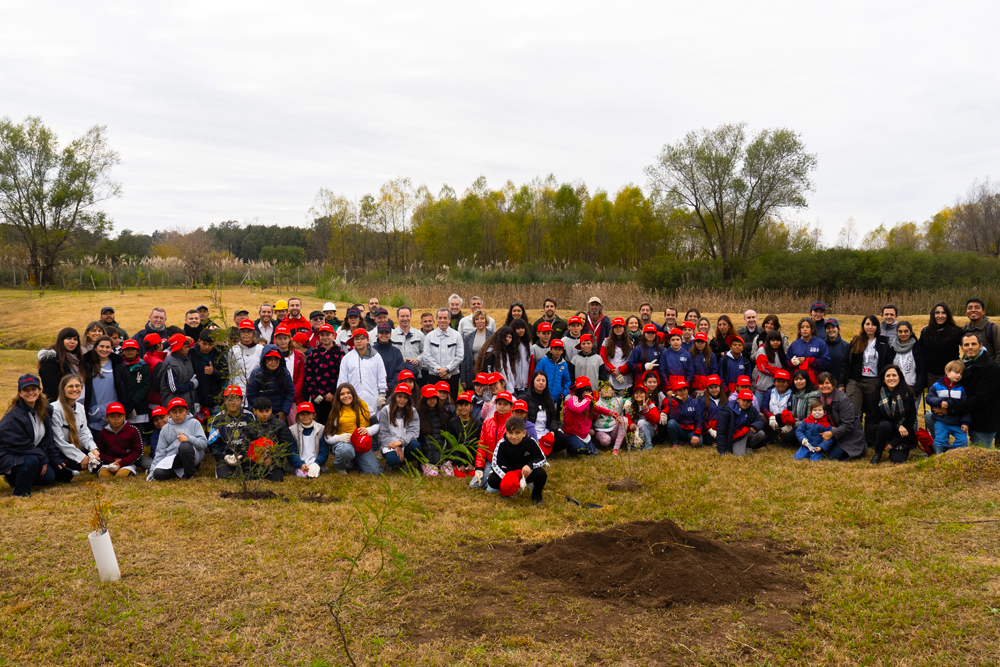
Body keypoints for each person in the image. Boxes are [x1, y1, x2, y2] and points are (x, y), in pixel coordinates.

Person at [1, 374, 72, 496]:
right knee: (31, 461)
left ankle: (15, 478)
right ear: (19, 393)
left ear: (39, 390)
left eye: (33, 389)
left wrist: (54, 459)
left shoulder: (45, 410)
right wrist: (42, 458)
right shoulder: (13, 417)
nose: (30, 393)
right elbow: (19, 445)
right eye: (26, 390)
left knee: (48, 478)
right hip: (7, 454)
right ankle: (21, 494)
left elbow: (47, 438)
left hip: (26, 452)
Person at [930, 333, 1000, 448]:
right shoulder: (961, 366)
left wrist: (950, 410)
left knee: (979, 455)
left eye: (974, 344)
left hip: (983, 418)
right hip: (963, 412)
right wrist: (938, 404)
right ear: (962, 348)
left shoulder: (990, 367)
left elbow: (980, 399)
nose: (970, 347)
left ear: (981, 346)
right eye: (966, 345)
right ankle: (945, 448)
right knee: (930, 417)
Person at [486, 416, 547, 505]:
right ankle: (507, 492)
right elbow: (495, 464)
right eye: (510, 433)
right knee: (492, 480)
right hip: (509, 474)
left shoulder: (531, 442)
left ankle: (536, 496)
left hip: (525, 474)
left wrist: (530, 465)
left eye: (517, 433)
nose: (514, 436)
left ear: (524, 433)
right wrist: (508, 478)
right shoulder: (501, 444)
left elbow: (542, 458)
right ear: (506, 433)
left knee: (541, 473)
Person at [323, 383, 382, 474]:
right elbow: (327, 436)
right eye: (342, 394)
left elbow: (377, 425)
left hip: (361, 445)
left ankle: (354, 461)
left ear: (353, 393)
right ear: (338, 396)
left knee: (375, 472)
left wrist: (368, 430)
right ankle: (340, 466)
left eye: (348, 393)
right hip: (344, 444)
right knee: (347, 450)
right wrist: (338, 438)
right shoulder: (335, 411)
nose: (346, 396)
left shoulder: (365, 407)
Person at [147, 398, 208, 481]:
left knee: (185, 446)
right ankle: (179, 472)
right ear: (169, 414)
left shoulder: (194, 423)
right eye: (174, 412)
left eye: (181, 411)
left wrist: (188, 438)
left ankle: (190, 475)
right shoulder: (165, 429)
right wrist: (152, 471)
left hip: (192, 456)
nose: (178, 415)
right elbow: (160, 452)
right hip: (173, 459)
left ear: (187, 412)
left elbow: (203, 443)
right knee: (158, 474)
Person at [865, 365, 916, 464]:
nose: (891, 378)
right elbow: (876, 419)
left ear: (899, 377)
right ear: (883, 379)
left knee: (898, 460)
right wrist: (897, 425)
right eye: (888, 376)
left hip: (902, 434)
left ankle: (894, 447)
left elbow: (911, 419)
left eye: (894, 375)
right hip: (882, 430)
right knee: (885, 425)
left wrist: (894, 442)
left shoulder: (908, 393)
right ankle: (878, 452)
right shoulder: (875, 395)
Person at [840, 315, 889, 415]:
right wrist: (841, 384)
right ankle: (856, 431)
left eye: (873, 324)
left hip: (873, 381)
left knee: (872, 412)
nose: (870, 327)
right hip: (855, 381)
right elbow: (846, 363)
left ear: (877, 327)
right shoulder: (855, 341)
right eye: (867, 324)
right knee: (854, 412)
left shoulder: (883, 343)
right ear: (863, 326)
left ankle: (868, 431)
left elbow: (887, 364)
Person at [83, 336, 131, 435]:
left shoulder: (118, 364)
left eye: (108, 347)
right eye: (101, 346)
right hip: (94, 412)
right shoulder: (86, 364)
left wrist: (128, 407)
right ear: (95, 348)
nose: (104, 349)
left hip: (115, 412)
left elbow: (127, 386)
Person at [237, 397, 293, 481]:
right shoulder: (249, 427)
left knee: (277, 479)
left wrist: (272, 458)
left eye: (267, 411)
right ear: (254, 411)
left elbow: (285, 446)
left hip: (274, 464)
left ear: (271, 410)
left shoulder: (280, 425)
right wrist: (256, 460)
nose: (264, 414)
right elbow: (245, 448)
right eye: (261, 411)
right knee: (248, 478)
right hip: (254, 463)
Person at [51, 374, 98, 472]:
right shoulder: (55, 409)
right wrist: (80, 457)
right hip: (57, 451)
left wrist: (93, 448)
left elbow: (84, 432)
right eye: (70, 386)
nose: (74, 389)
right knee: (75, 466)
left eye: (77, 386)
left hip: (73, 447)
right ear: (63, 389)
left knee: (97, 458)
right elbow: (59, 441)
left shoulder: (80, 407)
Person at [816, 372, 867, 461]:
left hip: (849, 436)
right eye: (821, 383)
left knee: (833, 458)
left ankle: (861, 448)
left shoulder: (843, 399)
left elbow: (848, 425)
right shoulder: (818, 398)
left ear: (833, 384)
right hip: (830, 430)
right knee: (819, 453)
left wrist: (832, 433)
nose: (824, 386)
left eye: (827, 383)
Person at [926, 360, 971, 454]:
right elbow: (929, 398)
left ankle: (951, 455)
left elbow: (965, 407)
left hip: (957, 422)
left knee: (963, 441)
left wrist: (965, 422)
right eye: (956, 372)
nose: (959, 376)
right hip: (941, 421)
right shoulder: (937, 386)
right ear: (947, 372)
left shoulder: (962, 389)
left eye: (961, 374)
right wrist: (939, 402)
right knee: (939, 441)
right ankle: (939, 457)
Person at [563, 377, 616, 455]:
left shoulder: (588, 402)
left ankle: (583, 446)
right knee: (579, 449)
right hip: (572, 433)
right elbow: (578, 409)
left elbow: (599, 409)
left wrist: (614, 414)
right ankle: (569, 449)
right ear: (580, 391)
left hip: (584, 434)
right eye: (585, 391)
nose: (587, 393)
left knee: (595, 454)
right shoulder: (572, 399)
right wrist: (587, 399)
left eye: (589, 391)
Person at [207, 386, 254, 474]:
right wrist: (224, 457)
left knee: (249, 476)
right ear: (225, 401)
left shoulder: (249, 416)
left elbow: (255, 439)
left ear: (241, 401)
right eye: (229, 399)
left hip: (245, 457)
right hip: (226, 457)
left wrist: (244, 455)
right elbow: (212, 443)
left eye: (236, 399)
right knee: (225, 477)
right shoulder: (218, 418)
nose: (233, 403)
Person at [303, 323, 344, 422]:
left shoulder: (340, 353)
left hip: (333, 397)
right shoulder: (314, 353)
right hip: (317, 397)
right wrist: (314, 394)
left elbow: (341, 375)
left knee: (332, 423)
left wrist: (333, 392)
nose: (325, 337)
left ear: (333, 336)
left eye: (327, 334)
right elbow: (308, 374)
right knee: (317, 423)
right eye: (322, 335)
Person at [246, 344, 296, 424]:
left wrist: (284, 411)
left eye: (276, 359)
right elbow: (251, 395)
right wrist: (263, 412)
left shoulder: (285, 373)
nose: (273, 362)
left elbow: (289, 393)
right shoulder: (257, 374)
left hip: (278, 412)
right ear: (264, 359)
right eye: (270, 359)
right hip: (260, 412)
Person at [920, 302, 963, 390]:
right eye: (937, 313)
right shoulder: (925, 332)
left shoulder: (957, 331)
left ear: (948, 315)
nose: (940, 315)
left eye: (943, 313)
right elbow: (920, 352)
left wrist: (961, 365)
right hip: (931, 376)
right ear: (933, 315)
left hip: (952, 375)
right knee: (935, 402)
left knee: (952, 403)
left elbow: (967, 348)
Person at [422, 308, 464, 399]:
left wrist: (447, 369)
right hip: (434, 376)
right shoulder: (430, 336)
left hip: (452, 376)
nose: (442, 320)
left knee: (451, 403)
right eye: (440, 318)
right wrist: (439, 370)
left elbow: (460, 356)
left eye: (445, 318)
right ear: (436, 320)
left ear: (449, 320)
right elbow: (427, 356)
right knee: (434, 402)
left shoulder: (457, 336)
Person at [378, 384, 422, 470]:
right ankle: (392, 462)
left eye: (405, 397)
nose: (402, 400)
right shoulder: (385, 410)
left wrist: (401, 442)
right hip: (389, 444)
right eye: (399, 396)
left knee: (415, 446)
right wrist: (396, 447)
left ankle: (405, 461)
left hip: (405, 442)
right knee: (393, 460)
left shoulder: (413, 411)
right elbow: (383, 433)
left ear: (408, 399)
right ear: (394, 397)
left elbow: (413, 432)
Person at [93, 402, 143, 478]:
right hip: (109, 463)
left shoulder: (133, 430)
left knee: (121, 476)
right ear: (107, 418)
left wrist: (122, 463)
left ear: (124, 417)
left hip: (128, 463)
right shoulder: (102, 433)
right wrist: (113, 460)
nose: (116, 419)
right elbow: (100, 453)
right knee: (103, 476)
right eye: (112, 416)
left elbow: (138, 451)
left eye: (119, 416)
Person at [38, 327, 83, 403]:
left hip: (75, 402)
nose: (72, 342)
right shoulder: (51, 359)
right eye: (68, 338)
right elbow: (51, 388)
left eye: (75, 339)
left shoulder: (77, 359)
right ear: (61, 340)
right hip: (58, 404)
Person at [716, 389, 766, 457]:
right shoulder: (727, 410)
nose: (746, 403)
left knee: (761, 434)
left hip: (745, 433)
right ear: (738, 399)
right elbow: (721, 431)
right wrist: (722, 451)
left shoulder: (752, 409)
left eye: (748, 401)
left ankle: (748, 447)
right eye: (743, 400)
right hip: (734, 437)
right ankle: (740, 448)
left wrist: (754, 426)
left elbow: (760, 420)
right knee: (739, 456)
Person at [885, 321, 926, 398]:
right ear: (897, 332)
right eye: (900, 331)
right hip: (894, 387)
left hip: (912, 388)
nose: (903, 334)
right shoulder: (892, 349)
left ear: (911, 332)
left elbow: (922, 370)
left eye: (906, 331)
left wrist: (916, 391)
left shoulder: (917, 348)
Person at [416, 385, 451, 474]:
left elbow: (447, 437)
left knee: (448, 474)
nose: (432, 400)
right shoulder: (418, 415)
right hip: (427, 456)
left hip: (442, 455)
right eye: (429, 398)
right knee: (432, 475)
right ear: (424, 399)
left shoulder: (444, 414)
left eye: (434, 397)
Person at [159, 333, 199, 411]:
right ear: (178, 348)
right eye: (186, 347)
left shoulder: (186, 360)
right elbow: (174, 388)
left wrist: (195, 401)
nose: (188, 349)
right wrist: (191, 384)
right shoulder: (170, 365)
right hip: (174, 408)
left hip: (186, 405)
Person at [287, 402, 328, 478]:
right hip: (300, 463)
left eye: (308, 413)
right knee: (303, 474)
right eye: (302, 414)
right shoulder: (292, 430)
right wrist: (300, 464)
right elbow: (291, 452)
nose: (305, 416)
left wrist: (317, 463)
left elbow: (324, 451)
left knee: (313, 474)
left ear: (313, 415)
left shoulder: (321, 429)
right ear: (298, 416)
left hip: (315, 462)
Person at [121, 339, 151, 439]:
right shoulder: (119, 366)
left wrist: (133, 402)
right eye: (127, 349)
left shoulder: (143, 366)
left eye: (132, 349)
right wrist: (126, 403)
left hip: (140, 408)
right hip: (123, 407)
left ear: (137, 351)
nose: (130, 352)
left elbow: (146, 387)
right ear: (123, 351)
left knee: (138, 436)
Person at [446, 391, 482, 475]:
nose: (463, 408)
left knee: (472, 474)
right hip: (458, 459)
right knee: (460, 475)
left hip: (472, 459)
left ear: (471, 406)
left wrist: (472, 462)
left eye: (466, 405)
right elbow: (451, 444)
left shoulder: (477, 423)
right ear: (457, 406)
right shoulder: (452, 422)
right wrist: (459, 463)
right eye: (460, 405)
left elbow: (479, 445)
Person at [269, 324, 304, 409]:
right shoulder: (271, 355)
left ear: (289, 338)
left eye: (285, 338)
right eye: (280, 338)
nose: (282, 341)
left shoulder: (298, 356)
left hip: (293, 398)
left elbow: (301, 376)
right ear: (276, 339)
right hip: (275, 397)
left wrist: (293, 394)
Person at [190, 330, 226, 415]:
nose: (207, 347)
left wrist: (214, 372)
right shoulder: (191, 354)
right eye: (204, 344)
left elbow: (226, 376)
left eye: (210, 344)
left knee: (214, 427)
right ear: (199, 341)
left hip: (215, 401)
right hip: (196, 400)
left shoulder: (219, 355)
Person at [788, 318, 831, 385]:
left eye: (807, 327)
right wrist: (791, 363)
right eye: (802, 327)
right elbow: (786, 362)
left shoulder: (820, 343)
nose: (805, 329)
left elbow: (826, 362)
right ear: (799, 330)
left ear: (812, 329)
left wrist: (810, 360)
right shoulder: (794, 344)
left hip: (815, 382)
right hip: (798, 382)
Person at [228, 319, 263, 396]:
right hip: (238, 391)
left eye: (249, 331)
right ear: (239, 333)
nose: (246, 334)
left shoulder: (260, 349)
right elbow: (231, 373)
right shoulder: (233, 350)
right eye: (243, 331)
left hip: (256, 390)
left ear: (253, 333)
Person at [392, 306, 427, 385]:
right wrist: (400, 360)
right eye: (402, 316)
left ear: (410, 317)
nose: (405, 319)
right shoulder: (392, 335)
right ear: (397, 317)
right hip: (398, 375)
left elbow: (425, 351)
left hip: (416, 375)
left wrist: (418, 359)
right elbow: (389, 354)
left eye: (407, 316)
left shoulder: (419, 334)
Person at [759, 369, 795, 444]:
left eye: (784, 382)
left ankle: (782, 437)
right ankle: (769, 437)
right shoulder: (769, 392)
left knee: (787, 438)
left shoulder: (791, 395)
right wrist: (771, 416)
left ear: (788, 383)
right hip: (771, 420)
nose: (781, 384)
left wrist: (786, 423)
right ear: (774, 382)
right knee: (761, 416)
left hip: (784, 421)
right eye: (778, 381)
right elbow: (764, 407)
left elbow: (792, 411)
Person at [461, 310, 494, 390]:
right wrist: (463, 379)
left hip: (487, 372)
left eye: (482, 318)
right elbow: (464, 359)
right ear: (474, 321)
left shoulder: (492, 337)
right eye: (477, 319)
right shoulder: (468, 337)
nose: (480, 321)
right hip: (472, 372)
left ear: (486, 320)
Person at [665, 380, 702, 448]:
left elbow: (699, 420)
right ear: (675, 392)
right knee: (671, 423)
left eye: (684, 389)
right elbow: (674, 418)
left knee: (699, 443)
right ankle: (675, 442)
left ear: (687, 390)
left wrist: (696, 434)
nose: (683, 392)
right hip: (680, 430)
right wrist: (676, 402)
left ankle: (687, 440)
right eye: (679, 390)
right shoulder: (672, 402)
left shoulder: (694, 402)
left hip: (691, 430)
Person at [600, 319, 633, 394]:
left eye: (620, 326)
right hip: (610, 378)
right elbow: (603, 359)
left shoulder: (630, 344)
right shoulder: (606, 342)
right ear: (612, 329)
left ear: (624, 328)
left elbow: (631, 362)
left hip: (626, 378)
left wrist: (620, 370)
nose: (618, 329)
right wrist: (613, 371)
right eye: (616, 327)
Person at [592, 381, 626, 452]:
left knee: (624, 419)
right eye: (604, 388)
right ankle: (600, 443)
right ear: (600, 392)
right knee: (606, 441)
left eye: (609, 388)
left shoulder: (619, 401)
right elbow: (593, 419)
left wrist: (628, 402)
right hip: (601, 430)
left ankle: (616, 448)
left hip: (614, 429)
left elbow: (632, 399)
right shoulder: (597, 404)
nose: (607, 390)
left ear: (613, 391)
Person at [373, 324, 405, 397]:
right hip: (374, 390)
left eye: (386, 333)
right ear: (377, 334)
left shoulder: (396, 352)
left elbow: (400, 371)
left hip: (392, 392)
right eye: (381, 333)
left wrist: (389, 386)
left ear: (390, 334)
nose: (384, 335)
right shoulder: (371, 351)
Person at [535, 339, 570, 405]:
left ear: (562, 351)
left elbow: (567, 381)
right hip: (542, 396)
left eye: (559, 349)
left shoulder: (564, 364)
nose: (557, 351)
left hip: (556, 398)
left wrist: (564, 393)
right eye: (555, 349)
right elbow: (536, 375)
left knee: (553, 414)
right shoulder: (544, 361)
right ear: (550, 350)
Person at [823, 319, 849, 387]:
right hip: (824, 385)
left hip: (840, 385)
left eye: (833, 327)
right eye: (828, 328)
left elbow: (847, 368)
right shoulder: (822, 345)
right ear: (825, 330)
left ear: (838, 329)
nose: (831, 330)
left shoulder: (846, 346)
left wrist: (842, 384)